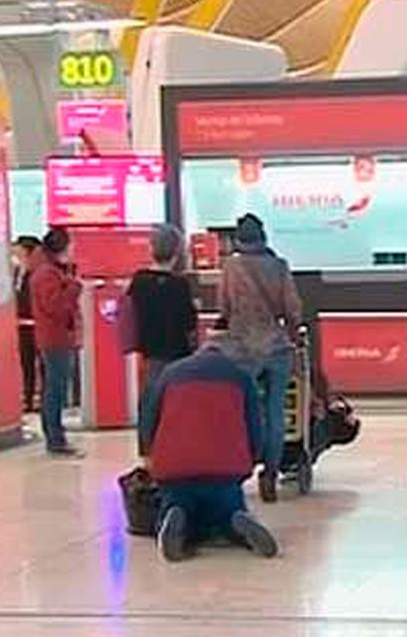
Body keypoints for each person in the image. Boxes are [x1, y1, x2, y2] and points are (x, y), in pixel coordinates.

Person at [141, 334, 278, 562]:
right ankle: (236, 519)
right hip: (225, 469)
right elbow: (256, 424)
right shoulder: (241, 377)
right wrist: (253, 457)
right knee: (226, 507)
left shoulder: (170, 373)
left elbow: (149, 417)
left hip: (176, 467)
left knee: (177, 500)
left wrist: (148, 453)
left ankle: (177, 516)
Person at [218, 214, 303, 503]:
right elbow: (293, 309)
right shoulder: (279, 266)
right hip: (276, 347)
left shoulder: (231, 267)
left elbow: (224, 307)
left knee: (243, 410)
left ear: (239, 239)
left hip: (243, 350)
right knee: (276, 411)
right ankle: (271, 473)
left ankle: (242, 466)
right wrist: (292, 333)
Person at [127, 224, 199, 449]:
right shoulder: (180, 285)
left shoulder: (139, 281)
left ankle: (147, 447)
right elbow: (189, 322)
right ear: (177, 253)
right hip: (178, 352)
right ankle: (175, 444)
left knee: (149, 400)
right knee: (176, 401)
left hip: (151, 351)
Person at [31, 227, 85, 458]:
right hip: (55, 340)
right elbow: (56, 307)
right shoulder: (47, 276)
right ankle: (55, 438)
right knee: (55, 389)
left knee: (56, 387)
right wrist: (73, 289)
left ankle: (56, 435)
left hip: (60, 338)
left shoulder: (52, 272)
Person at [13, 236, 42, 413]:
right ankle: (28, 398)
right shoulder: (18, 272)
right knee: (26, 363)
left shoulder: (38, 273)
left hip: (37, 324)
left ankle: (42, 399)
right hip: (21, 324)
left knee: (41, 363)